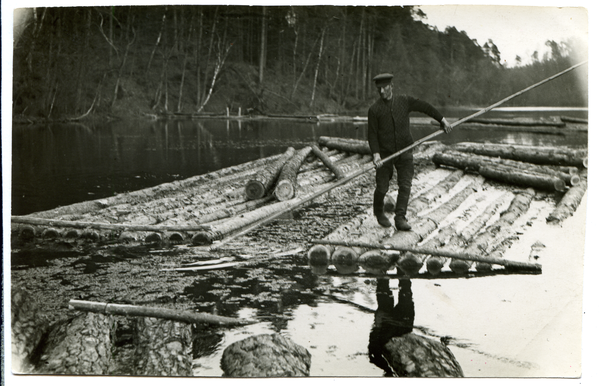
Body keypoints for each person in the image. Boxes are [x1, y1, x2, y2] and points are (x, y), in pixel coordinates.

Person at [368, 73, 452, 231]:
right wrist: (376, 154)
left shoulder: (404, 101)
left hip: (405, 150)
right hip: (385, 154)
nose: (381, 92)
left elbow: (425, 107)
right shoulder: (374, 110)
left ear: (391, 86)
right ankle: (379, 213)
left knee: (405, 185)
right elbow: (372, 135)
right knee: (382, 188)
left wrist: (442, 120)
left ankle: (400, 218)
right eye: (378, 89)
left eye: (384, 88)